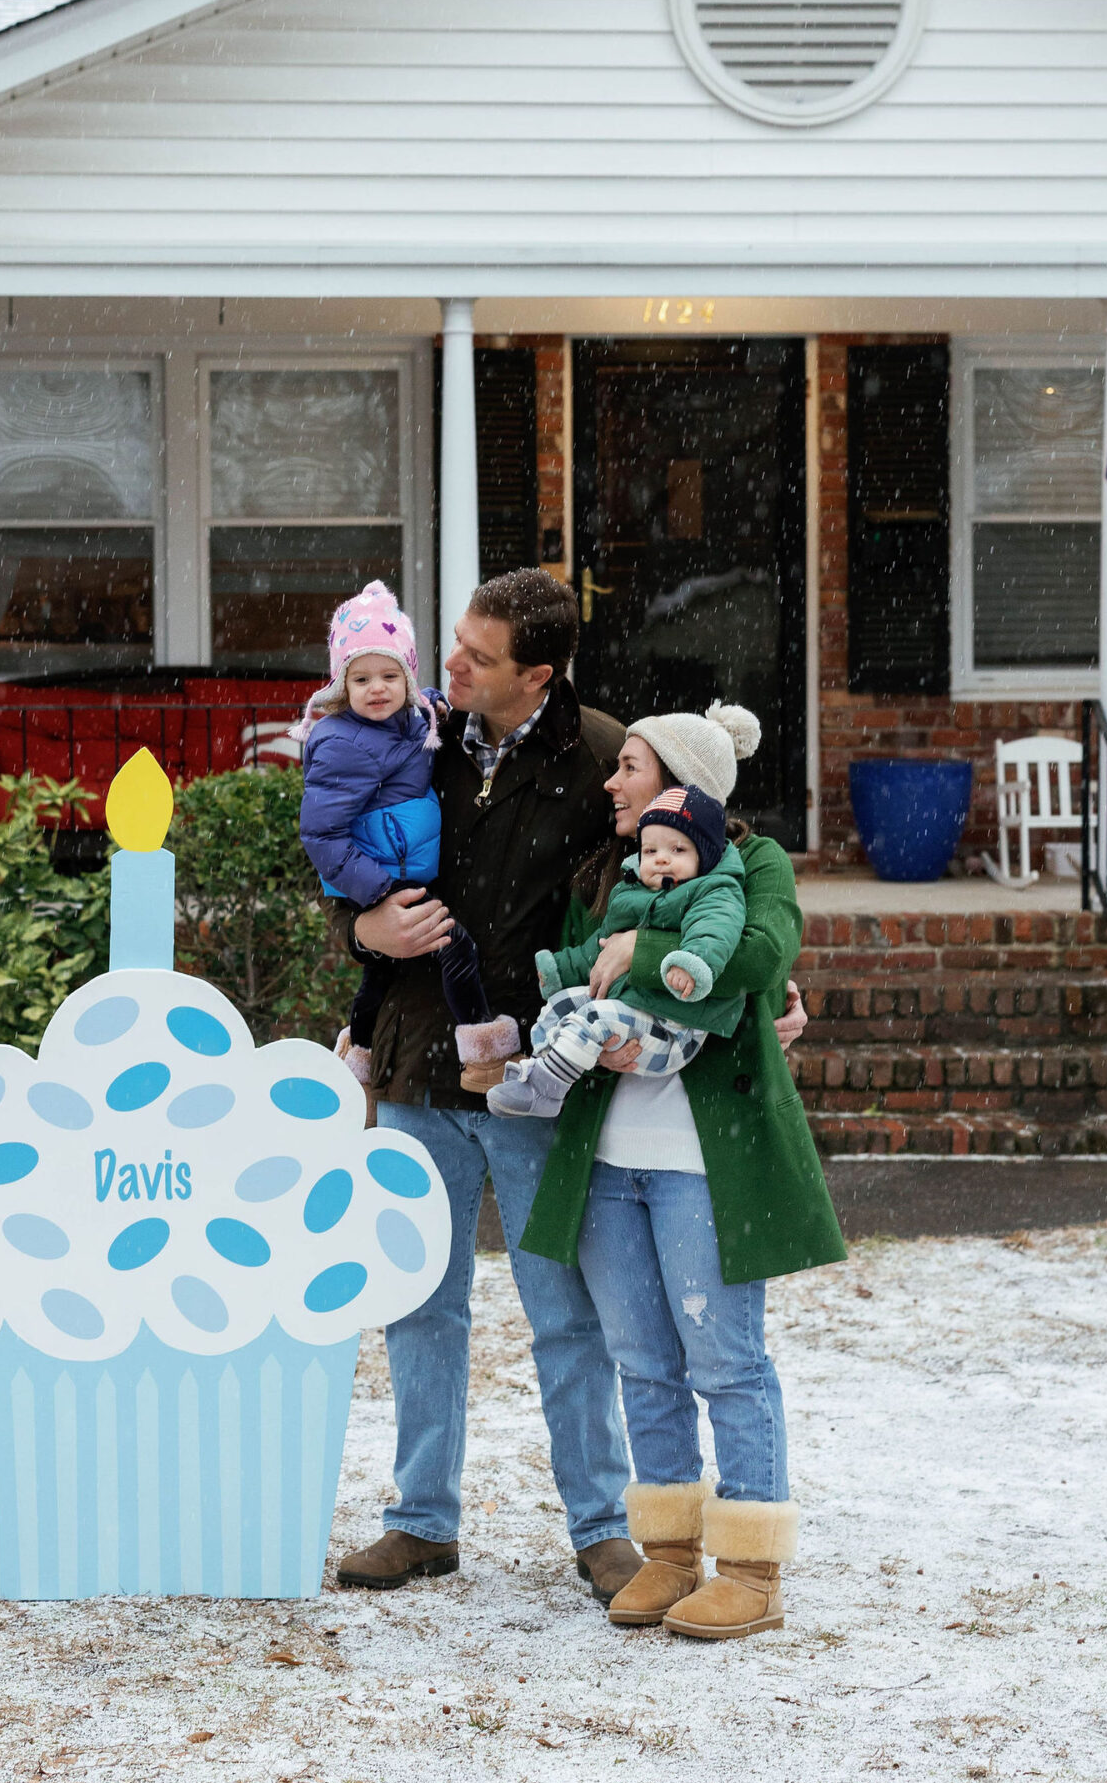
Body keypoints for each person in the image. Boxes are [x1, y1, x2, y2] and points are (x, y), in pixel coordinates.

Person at [329, 568, 647, 1604]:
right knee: (423, 1302)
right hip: (420, 1057)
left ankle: (602, 1529)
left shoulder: (601, 756)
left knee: (565, 1308)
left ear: (538, 674)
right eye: (453, 642)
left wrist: (739, 967)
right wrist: (362, 929)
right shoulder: (408, 736)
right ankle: (421, 1522)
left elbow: (691, 872)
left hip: (534, 1078)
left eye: (475, 653)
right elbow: (338, 847)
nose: (448, 662)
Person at [520, 704, 848, 1642]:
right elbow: (577, 973)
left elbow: (759, 952)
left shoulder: (757, 861)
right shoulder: (615, 866)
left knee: (725, 1361)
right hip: (607, 1159)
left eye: (628, 765)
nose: (611, 783)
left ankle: (750, 1567)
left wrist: (646, 954)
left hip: (704, 1164)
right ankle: (668, 1556)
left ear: (677, 776)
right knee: (643, 1365)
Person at [297, 580, 520, 1087]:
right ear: (341, 687)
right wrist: (376, 893)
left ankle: (360, 1056)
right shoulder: (341, 743)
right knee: (454, 947)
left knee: (381, 971)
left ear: (408, 677)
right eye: (361, 680)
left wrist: (433, 705)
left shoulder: (411, 718)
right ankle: (484, 1051)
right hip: (380, 875)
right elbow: (322, 834)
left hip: (397, 869)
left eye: (390, 675)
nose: (377, 689)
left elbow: (419, 720)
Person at [485, 779, 746, 1117]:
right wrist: (562, 970)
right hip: (632, 1012)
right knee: (560, 1005)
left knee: (594, 1016)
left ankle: (549, 1092)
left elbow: (715, 929)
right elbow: (601, 948)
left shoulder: (712, 890)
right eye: (651, 851)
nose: (662, 860)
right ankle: (539, 1073)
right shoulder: (629, 894)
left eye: (678, 850)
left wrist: (692, 962)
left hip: (676, 1028)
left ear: (705, 856)